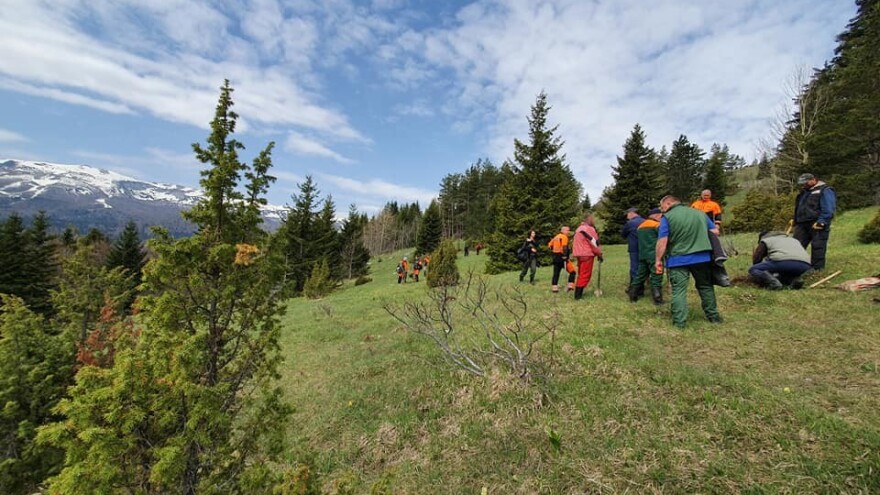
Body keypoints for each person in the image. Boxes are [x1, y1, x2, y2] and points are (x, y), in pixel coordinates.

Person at [655, 195, 722, 328]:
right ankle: (714, 317)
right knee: (706, 286)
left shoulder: (667, 217)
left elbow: (662, 241)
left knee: (678, 290)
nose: (662, 210)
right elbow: (715, 231)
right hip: (702, 257)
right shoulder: (700, 214)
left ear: (668, 203)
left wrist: (658, 260)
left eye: (662, 207)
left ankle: (679, 323)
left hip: (678, 259)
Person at [792, 173, 837, 270]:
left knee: (818, 246)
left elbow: (828, 208)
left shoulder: (825, 190)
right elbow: (799, 207)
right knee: (796, 245)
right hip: (802, 223)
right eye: (802, 183)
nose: (803, 185)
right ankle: (794, 267)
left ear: (813, 180)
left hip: (817, 222)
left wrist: (822, 221)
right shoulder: (803, 192)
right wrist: (795, 219)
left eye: (805, 182)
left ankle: (817, 270)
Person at [628, 208, 664, 304]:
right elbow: (662, 239)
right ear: (656, 215)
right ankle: (657, 298)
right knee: (657, 275)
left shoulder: (640, 227)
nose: (661, 218)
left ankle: (632, 295)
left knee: (640, 275)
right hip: (655, 256)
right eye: (661, 216)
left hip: (643, 255)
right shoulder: (657, 225)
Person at [572, 212, 603, 300]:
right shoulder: (589, 229)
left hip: (579, 254)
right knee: (585, 275)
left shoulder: (579, 228)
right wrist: (599, 253)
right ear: (588, 219)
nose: (593, 220)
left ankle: (578, 293)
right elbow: (594, 243)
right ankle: (578, 296)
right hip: (586, 254)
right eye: (592, 218)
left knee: (581, 274)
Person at [621, 207, 645, 287]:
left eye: (627, 214)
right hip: (645, 248)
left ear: (632, 213)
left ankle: (635, 287)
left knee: (634, 267)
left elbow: (623, 234)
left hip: (634, 248)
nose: (627, 217)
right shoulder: (645, 221)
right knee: (644, 266)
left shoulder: (630, 223)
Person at [547, 226, 574, 293]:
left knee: (556, 273)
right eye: (567, 230)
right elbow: (565, 247)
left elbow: (550, 245)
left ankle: (554, 288)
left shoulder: (556, 237)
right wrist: (565, 256)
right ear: (563, 230)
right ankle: (570, 286)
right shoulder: (564, 237)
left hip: (555, 257)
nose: (568, 232)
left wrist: (554, 251)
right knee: (572, 271)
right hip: (562, 257)